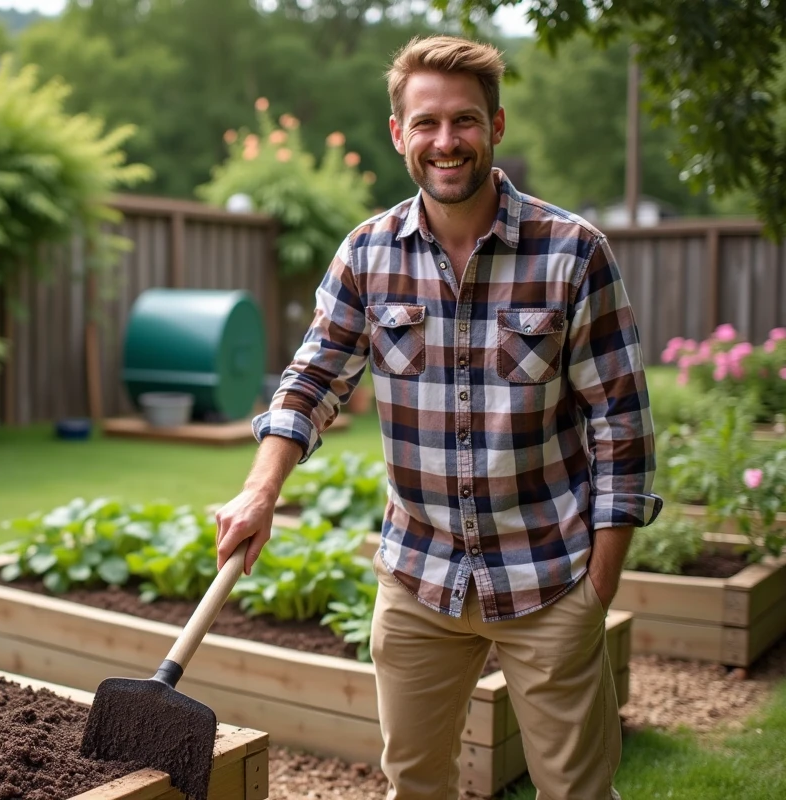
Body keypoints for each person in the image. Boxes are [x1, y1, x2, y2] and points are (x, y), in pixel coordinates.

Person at [214, 34, 663, 800]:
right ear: (399, 134)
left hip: (549, 576)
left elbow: (620, 425)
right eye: (426, 123)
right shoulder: (367, 255)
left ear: (496, 126)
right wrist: (261, 490)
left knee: (578, 792)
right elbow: (311, 381)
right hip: (419, 579)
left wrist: (599, 586)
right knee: (414, 785)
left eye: (464, 121)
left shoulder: (572, 253)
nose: (445, 142)